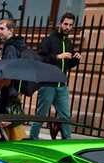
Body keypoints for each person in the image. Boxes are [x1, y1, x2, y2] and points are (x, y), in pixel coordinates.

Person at [29, 12, 82, 140]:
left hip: (62, 86)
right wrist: (58, 56)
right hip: (47, 85)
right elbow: (39, 59)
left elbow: (67, 65)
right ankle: (32, 140)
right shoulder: (48, 40)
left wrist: (76, 59)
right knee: (40, 116)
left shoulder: (69, 43)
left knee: (65, 117)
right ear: (60, 24)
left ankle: (67, 143)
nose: (67, 27)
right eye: (65, 24)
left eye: (70, 25)